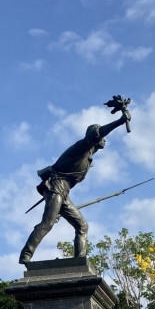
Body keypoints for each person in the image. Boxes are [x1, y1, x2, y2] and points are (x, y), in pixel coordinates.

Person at [19, 106, 130, 264]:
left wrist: (123, 113)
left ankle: (79, 261)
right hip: (56, 186)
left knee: (82, 226)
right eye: (102, 137)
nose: (105, 140)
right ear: (94, 136)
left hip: (63, 192)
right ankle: (26, 255)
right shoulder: (82, 147)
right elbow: (98, 133)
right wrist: (120, 121)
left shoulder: (88, 154)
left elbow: (96, 142)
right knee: (47, 223)